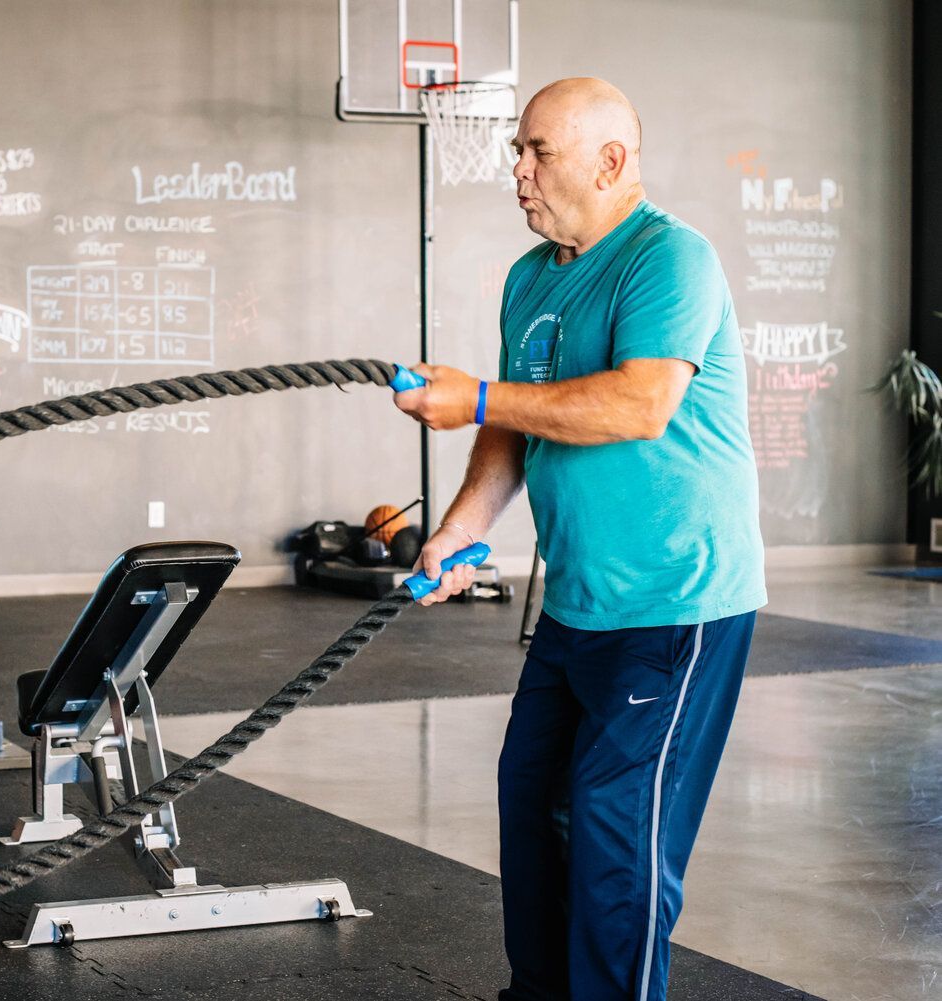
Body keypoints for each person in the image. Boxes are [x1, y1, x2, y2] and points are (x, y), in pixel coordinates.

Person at [393, 78, 765, 1001]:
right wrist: (460, 529)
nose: (518, 170)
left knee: (612, 829)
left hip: (676, 603)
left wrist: (477, 394)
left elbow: (640, 403)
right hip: (578, 601)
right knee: (532, 801)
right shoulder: (530, 277)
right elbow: (515, 425)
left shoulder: (670, 257)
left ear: (610, 162)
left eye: (538, 152)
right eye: (517, 151)